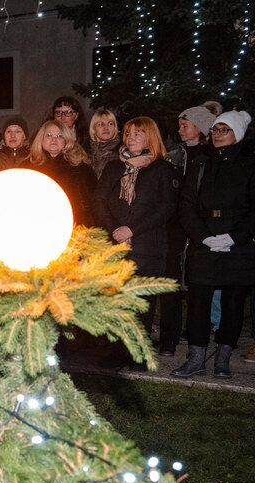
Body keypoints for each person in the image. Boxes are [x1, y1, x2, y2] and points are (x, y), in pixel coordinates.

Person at [174, 110, 254, 379]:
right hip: (205, 240)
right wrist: (203, 237)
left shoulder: (249, 164)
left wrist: (234, 237)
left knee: (233, 303)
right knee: (198, 302)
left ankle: (223, 359)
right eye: (215, 130)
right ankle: (196, 358)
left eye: (224, 130)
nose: (218, 135)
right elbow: (186, 205)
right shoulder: (201, 163)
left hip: (237, 245)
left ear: (237, 134)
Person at [94, 117, 179, 370]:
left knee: (141, 302)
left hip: (147, 245)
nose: (131, 138)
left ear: (150, 137)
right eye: (128, 133)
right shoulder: (114, 167)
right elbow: (99, 200)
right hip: (116, 244)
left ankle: (139, 353)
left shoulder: (162, 169)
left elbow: (165, 208)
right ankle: (115, 351)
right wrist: (115, 230)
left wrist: (132, 229)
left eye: (138, 134)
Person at [159, 104, 217, 356]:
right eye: (179, 126)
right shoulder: (174, 155)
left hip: (201, 227)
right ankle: (168, 337)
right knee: (171, 282)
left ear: (200, 128)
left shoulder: (212, 157)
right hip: (174, 226)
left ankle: (196, 333)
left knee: (197, 284)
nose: (180, 130)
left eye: (185, 126)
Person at [26, 120, 95, 226]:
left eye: (59, 136)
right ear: (41, 138)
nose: (54, 139)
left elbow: (91, 201)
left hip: (74, 225)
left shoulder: (80, 167)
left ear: (66, 140)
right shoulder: (27, 167)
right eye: (49, 135)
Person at [89, 108, 121, 179]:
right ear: (94, 129)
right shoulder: (85, 153)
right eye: (101, 124)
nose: (106, 128)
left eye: (110, 124)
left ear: (115, 128)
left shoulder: (122, 152)